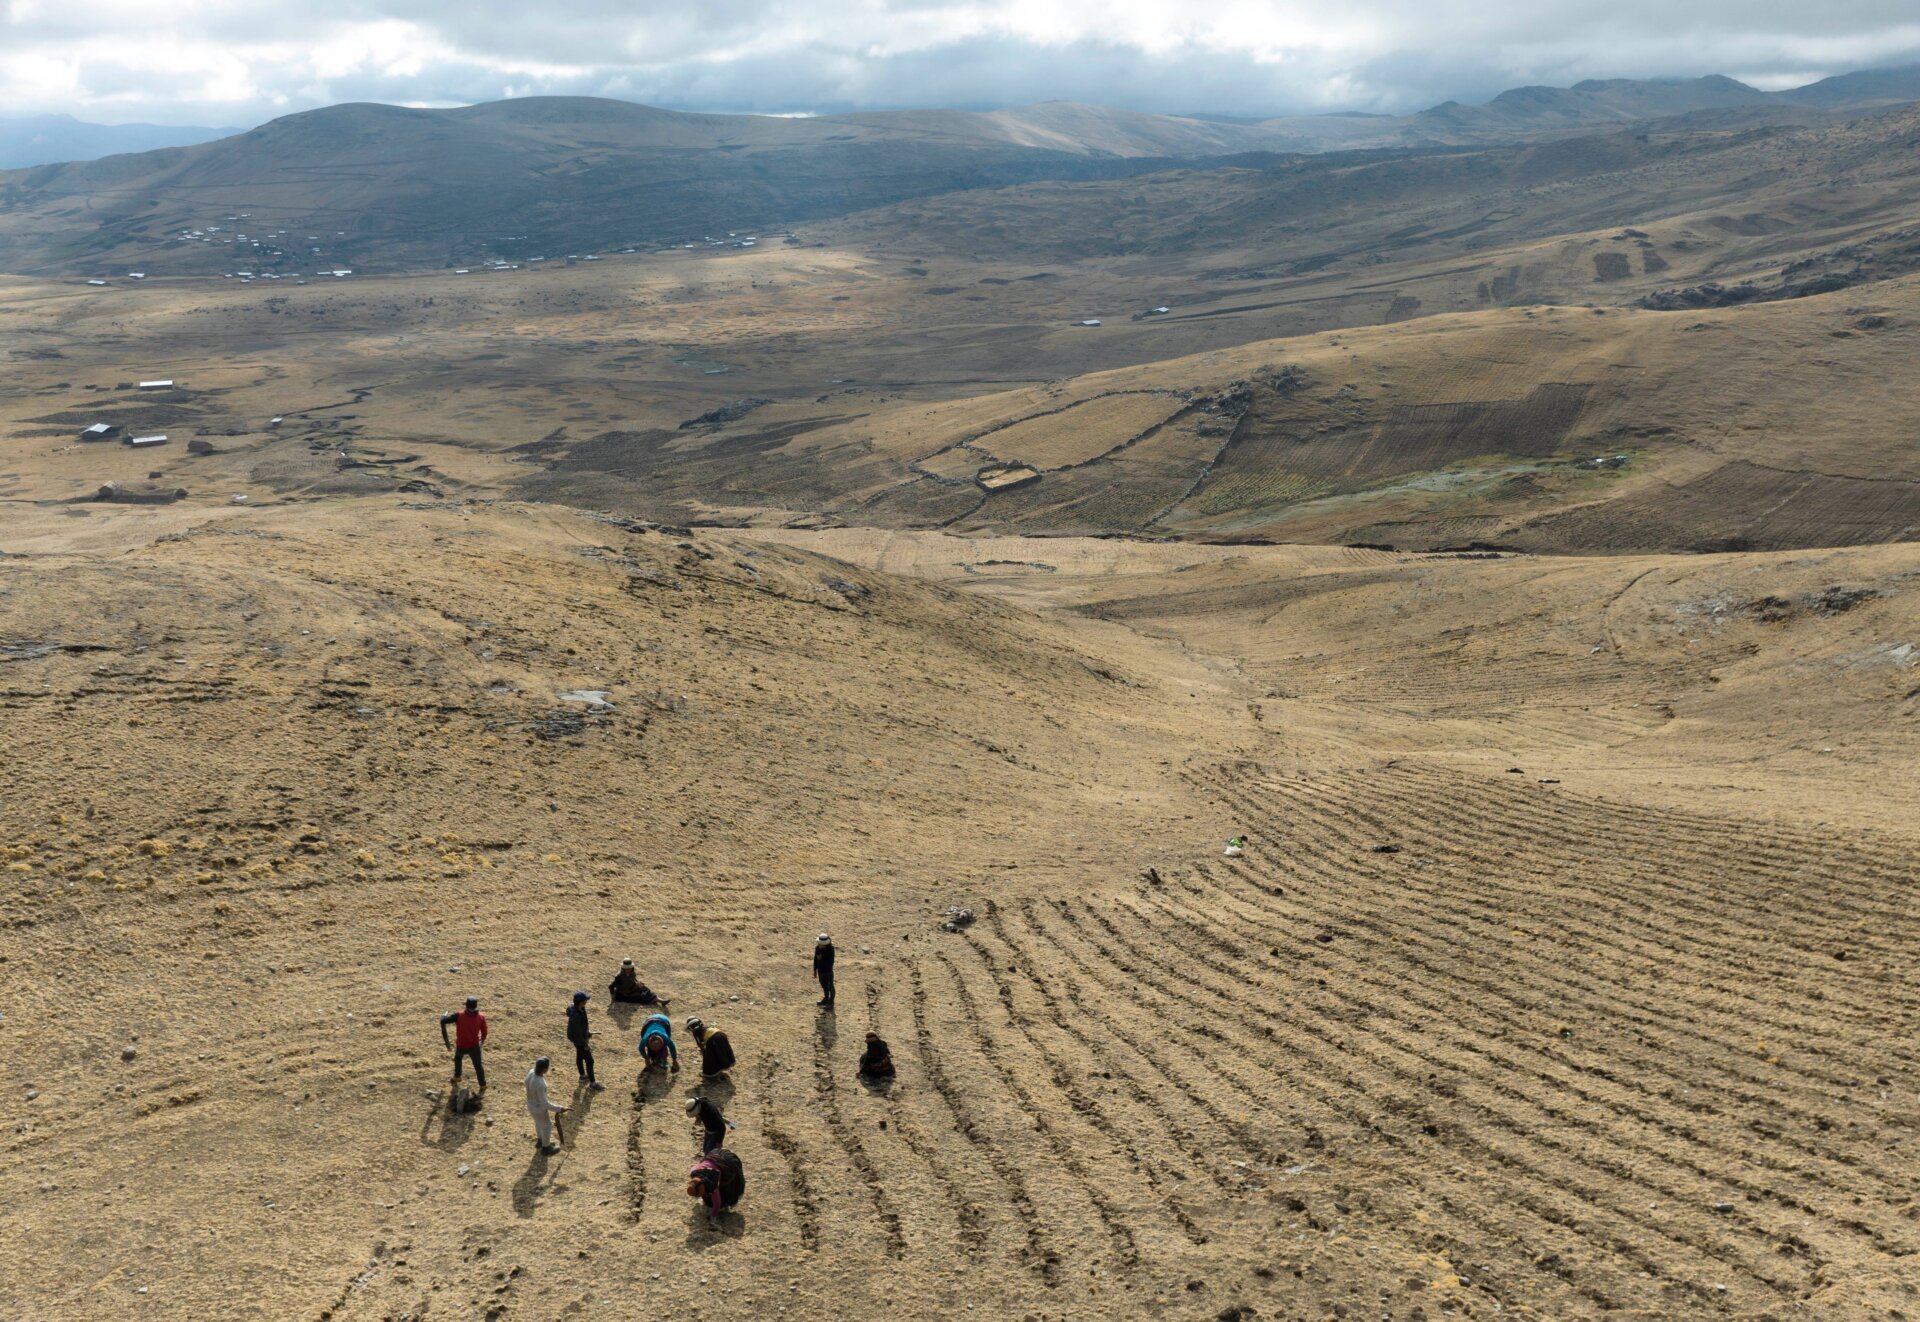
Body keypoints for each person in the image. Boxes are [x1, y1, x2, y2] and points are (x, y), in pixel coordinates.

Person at [439, 996, 488, 1090]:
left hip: (461, 1045)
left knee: (458, 1059)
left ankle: (457, 1076)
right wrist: (483, 1039)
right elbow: (485, 1031)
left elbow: (444, 1021)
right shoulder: (481, 1017)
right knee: (478, 1066)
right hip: (474, 1046)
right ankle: (482, 1085)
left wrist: (443, 1017)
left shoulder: (459, 1015)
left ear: (466, 1006)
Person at [686, 1147, 745, 1222]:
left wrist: (713, 1217)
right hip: (714, 1155)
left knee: (730, 1190)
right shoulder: (694, 1171)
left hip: (729, 1163)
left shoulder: (712, 1184)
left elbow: (717, 1204)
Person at [524, 1056, 567, 1154]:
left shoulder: (531, 1072)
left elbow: (526, 1083)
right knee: (547, 1126)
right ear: (544, 1069)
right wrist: (559, 1109)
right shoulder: (541, 1083)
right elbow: (545, 1104)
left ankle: (540, 1140)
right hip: (539, 1108)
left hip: (530, 1104)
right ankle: (546, 1147)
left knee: (538, 1122)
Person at [566, 991, 602, 1090]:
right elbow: (577, 1033)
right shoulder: (576, 1016)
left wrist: (587, 1033)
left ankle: (582, 1076)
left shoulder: (580, 1009)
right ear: (581, 1002)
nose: (587, 1001)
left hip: (578, 1038)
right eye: (585, 1000)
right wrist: (584, 1044)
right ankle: (593, 1084)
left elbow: (581, 1028)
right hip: (579, 1040)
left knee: (579, 1056)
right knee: (590, 1061)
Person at [813, 933, 836, 1008]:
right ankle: (826, 999)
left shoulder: (830, 950)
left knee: (830, 987)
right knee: (823, 985)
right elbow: (815, 959)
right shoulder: (817, 948)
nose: (818, 945)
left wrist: (821, 959)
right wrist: (815, 970)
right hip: (820, 971)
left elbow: (830, 963)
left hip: (827, 972)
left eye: (820, 944)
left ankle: (831, 1002)